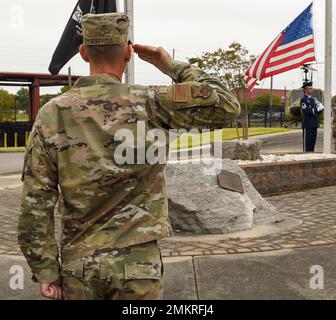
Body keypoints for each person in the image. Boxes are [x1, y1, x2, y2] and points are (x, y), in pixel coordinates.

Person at [18, 13, 240, 300]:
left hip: (79, 266)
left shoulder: (53, 113)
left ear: (84, 53)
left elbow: (35, 203)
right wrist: (168, 64)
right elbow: (227, 104)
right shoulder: (153, 102)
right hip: (138, 267)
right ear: (127, 53)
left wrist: (46, 270)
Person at [301, 81, 324, 153]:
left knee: (313, 140)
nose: (312, 90)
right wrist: (317, 109)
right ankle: (307, 153)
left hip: (314, 122)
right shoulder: (304, 99)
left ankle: (312, 153)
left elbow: (318, 110)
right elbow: (306, 111)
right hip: (308, 123)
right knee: (308, 140)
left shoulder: (313, 99)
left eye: (312, 88)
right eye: (310, 89)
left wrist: (320, 108)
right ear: (306, 90)